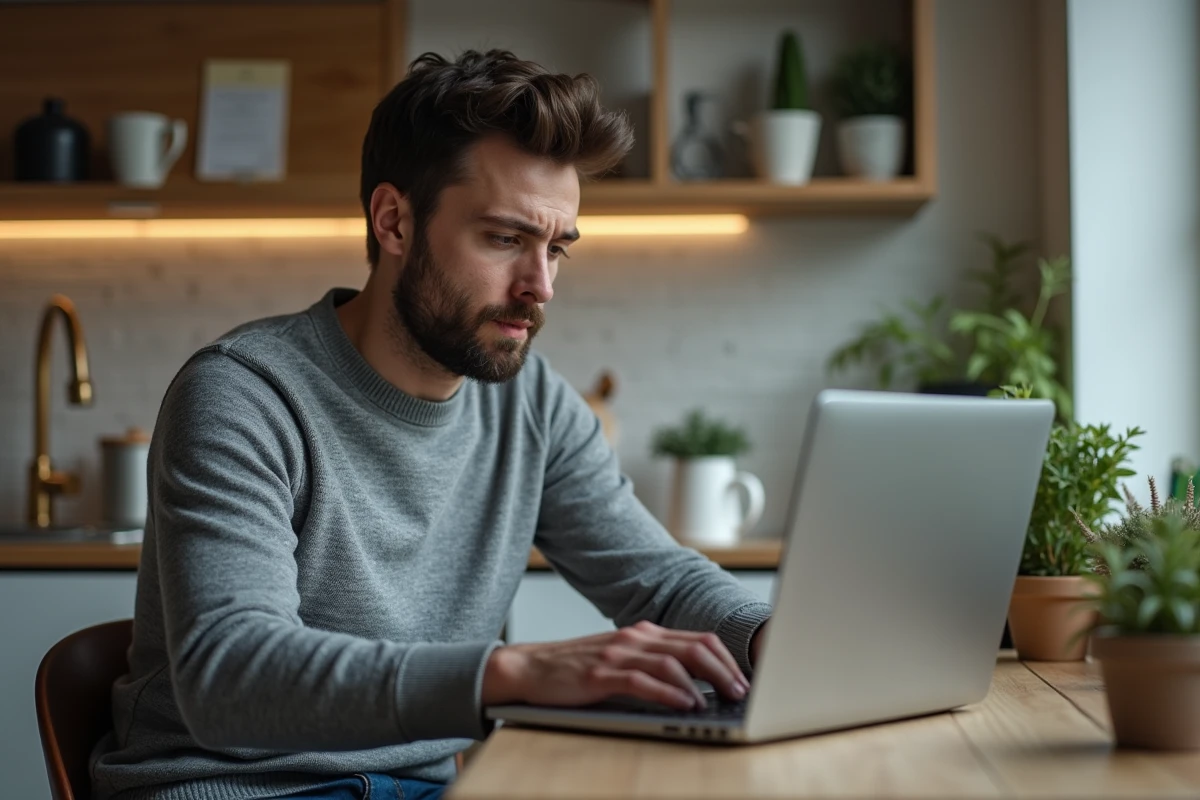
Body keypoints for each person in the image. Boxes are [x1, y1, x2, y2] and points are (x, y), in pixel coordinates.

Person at [91, 50, 772, 800]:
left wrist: (776, 640)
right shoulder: (243, 395)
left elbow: (661, 583)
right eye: (506, 239)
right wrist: (511, 674)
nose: (539, 287)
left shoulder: (531, 403)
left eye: (557, 249)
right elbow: (231, 674)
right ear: (394, 222)